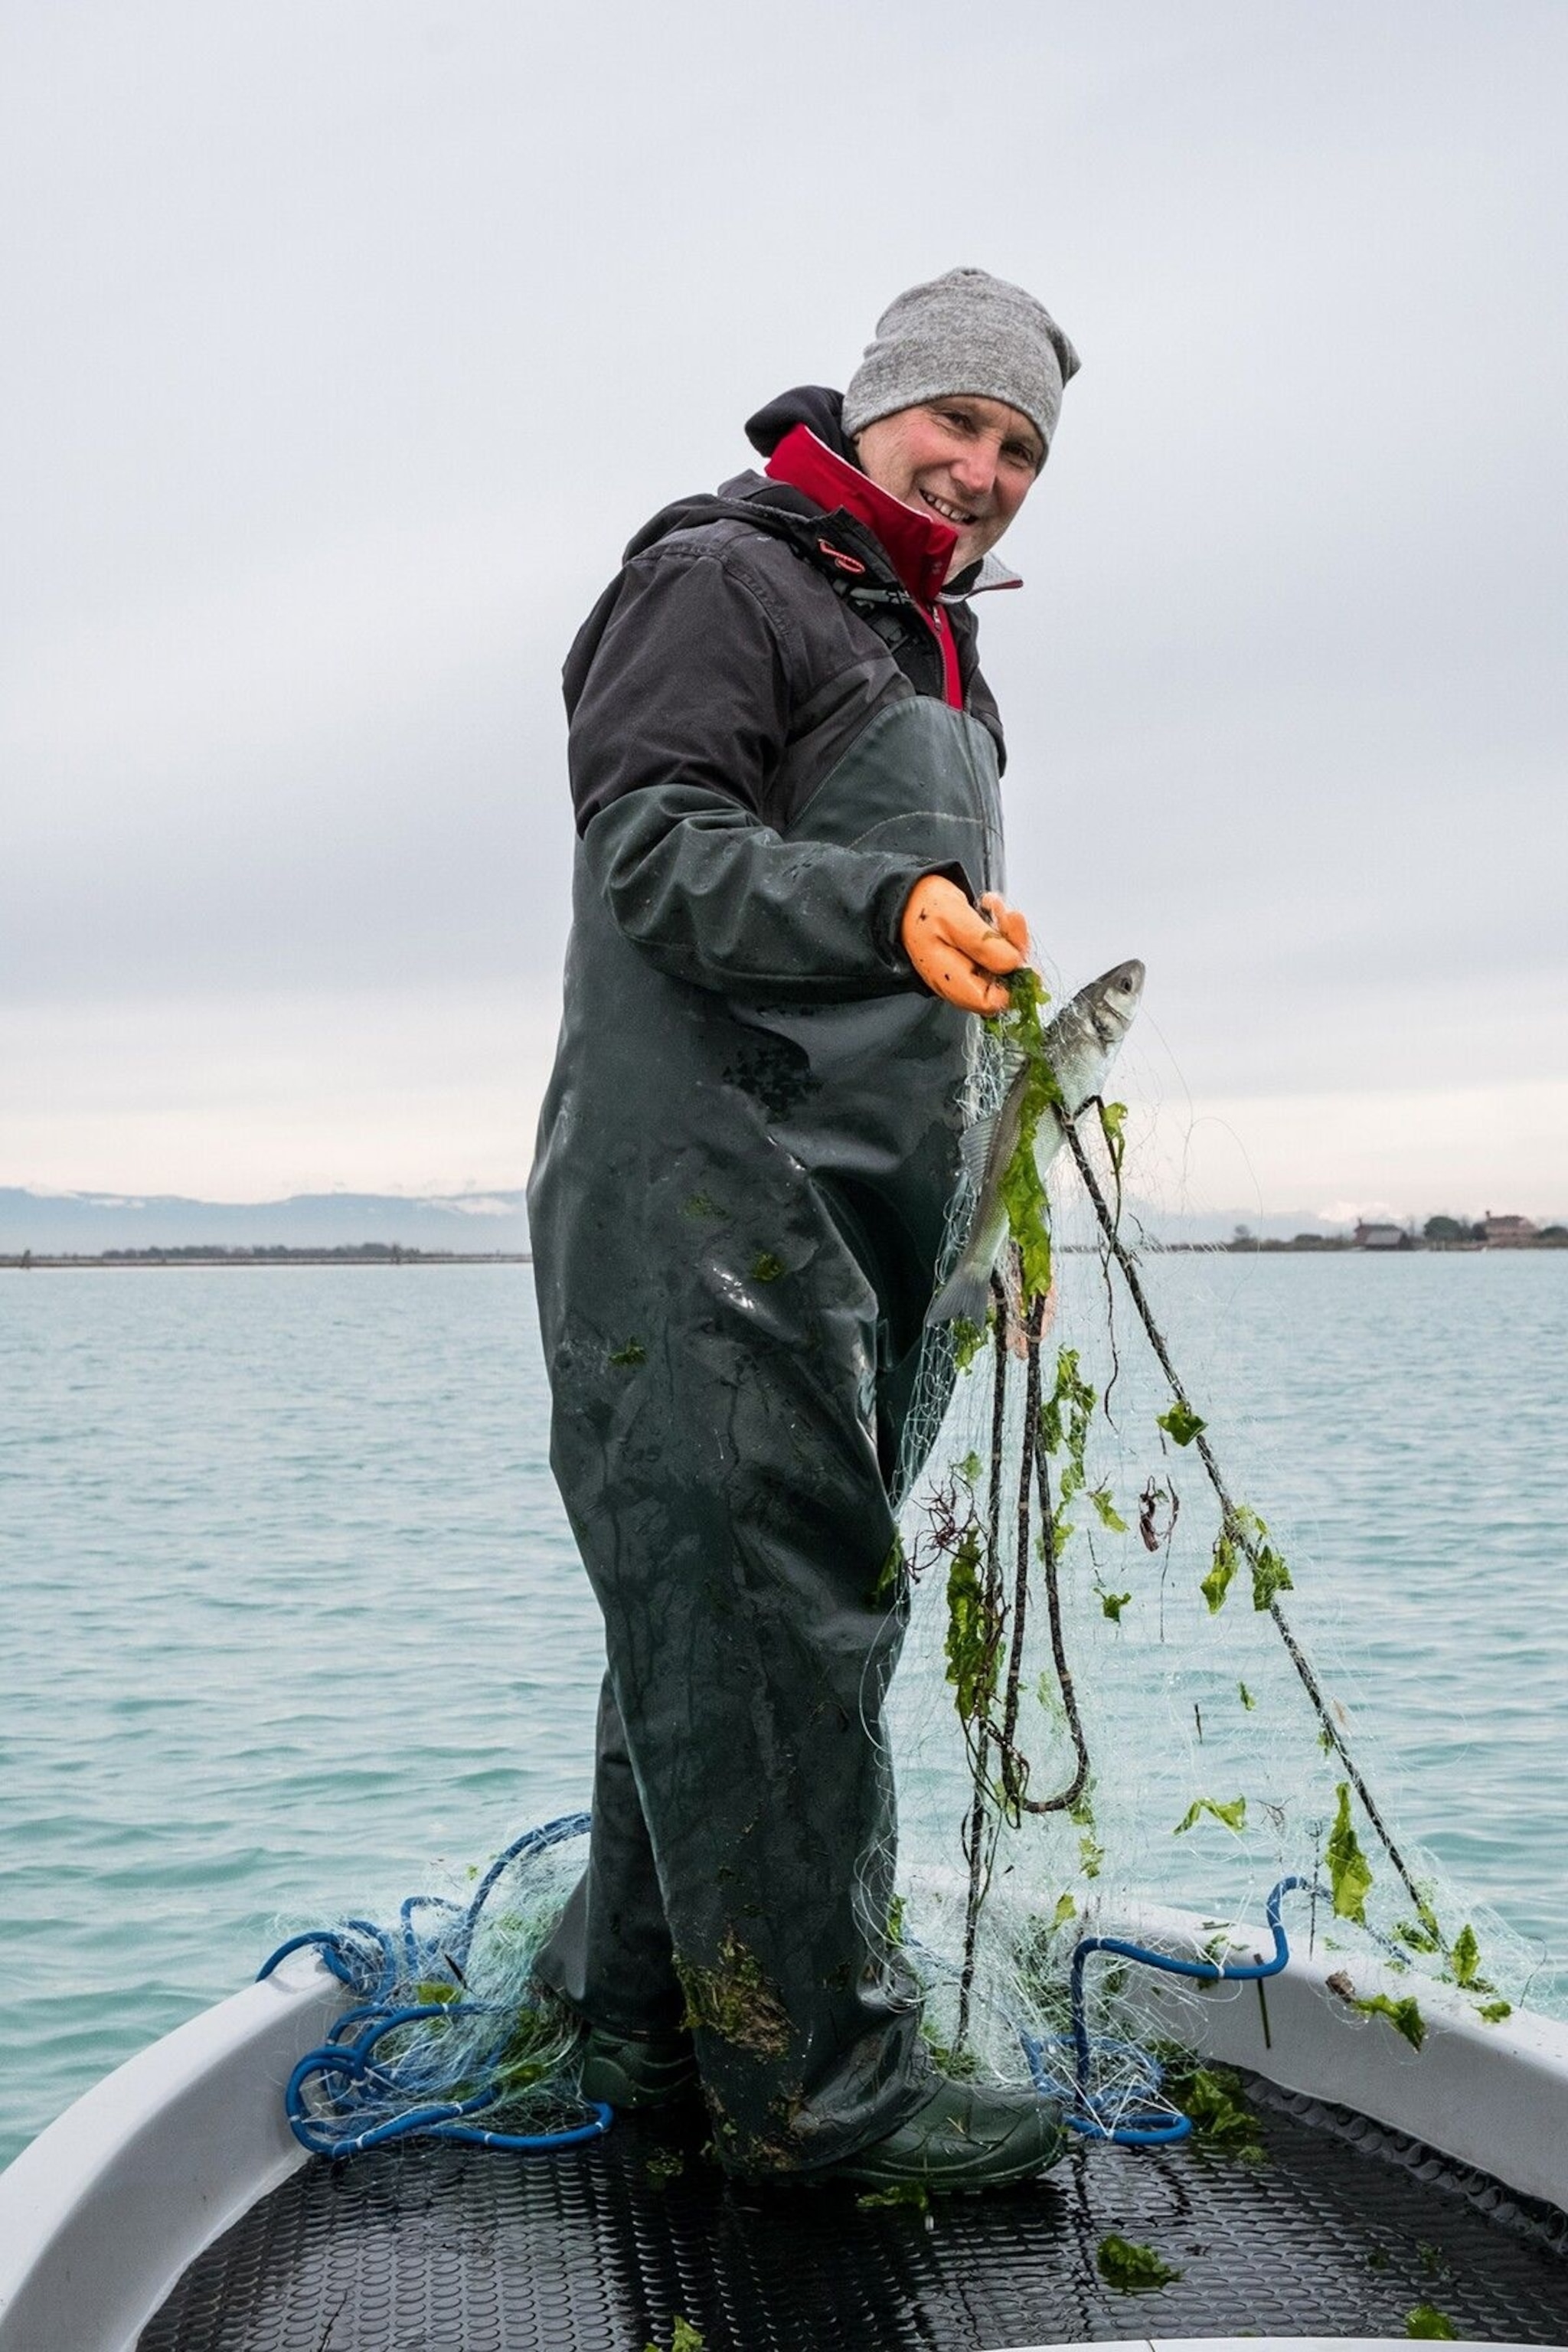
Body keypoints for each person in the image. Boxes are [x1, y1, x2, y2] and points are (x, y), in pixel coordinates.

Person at [528, 267, 1080, 2189]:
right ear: (870, 410)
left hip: (861, 1214)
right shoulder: (726, 579)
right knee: (774, 1614)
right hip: (699, 1187)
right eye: (957, 422)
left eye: (1020, 446)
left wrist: (986, 1240)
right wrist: (879, 911)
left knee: (711, 1615)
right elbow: (654, 852)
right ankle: (820, 2109)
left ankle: (636, 2021)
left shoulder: (930, 635)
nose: (985, 466)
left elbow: (923, 957)